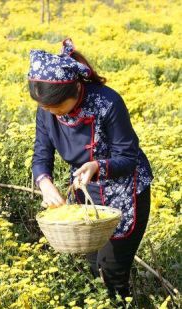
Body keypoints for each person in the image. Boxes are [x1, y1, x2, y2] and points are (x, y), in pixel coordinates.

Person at [28, 39, 153, 299]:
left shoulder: (107, 103)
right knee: (93, 269)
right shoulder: (47, 110)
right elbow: (41, 153)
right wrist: (44, 182)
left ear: (75, 89)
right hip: (87, 194)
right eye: (46, 109)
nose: (53, 113)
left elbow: (128, 157)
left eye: (57, 107)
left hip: (125, 193)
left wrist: (98, 165)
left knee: (111, 275)